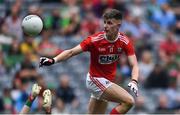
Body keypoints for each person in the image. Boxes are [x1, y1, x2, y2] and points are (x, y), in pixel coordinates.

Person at [39, 9, 139, 114]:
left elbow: (134, 64)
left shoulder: (124, 41)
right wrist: (53, 60)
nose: (105, 26)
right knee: (129, 101)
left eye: (109, 23)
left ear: (118, 25)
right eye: (104, 22)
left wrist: (134, 80)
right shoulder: (94, 40)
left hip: (107, 82)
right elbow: (71, 52)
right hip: (95, 80)